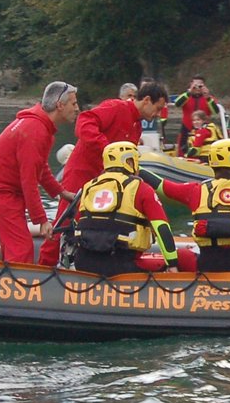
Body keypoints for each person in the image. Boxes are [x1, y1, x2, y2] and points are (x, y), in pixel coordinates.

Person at [38, 80, 168, 267]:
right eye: (157, 109)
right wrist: (107, 149)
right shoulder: (116, 107)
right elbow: (84, 122)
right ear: (146, 100)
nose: (157, 115)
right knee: (66, 216)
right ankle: (45, 265)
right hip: (83, 171)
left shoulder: (137, 125)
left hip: (106, 180)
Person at [147, 137, 230, 273]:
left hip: (208, 264)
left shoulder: (196, 191)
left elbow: (161, 186)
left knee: (181, 254)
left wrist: (136, 167)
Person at [0, 80, 78, 264]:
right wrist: (42, 220)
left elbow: (40, 168)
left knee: (14, 242)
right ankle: (17, 288)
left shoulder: (41, 127)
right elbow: (29, 181)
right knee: (21, 247)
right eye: (74, 103)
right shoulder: (35, 131)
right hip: (0, 189)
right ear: (60, 105)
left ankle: (7, 278)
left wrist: (61, 192)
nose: (77, 108)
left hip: (9, 189)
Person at [63, 141, 183, 275]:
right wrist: (172, 264)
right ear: (130, 162)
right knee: (186, 258)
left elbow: (77, 224)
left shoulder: (89, 187)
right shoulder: (141, 189)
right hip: (121, 265)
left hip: (84, 263)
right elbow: (162, 228)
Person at [173, 75, 219, 156]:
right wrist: (189, 92)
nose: (197, 88)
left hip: (204, 130)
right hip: (186, 129)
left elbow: (216, 111)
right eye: (195, 85)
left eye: (200, 85)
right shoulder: (186, 96)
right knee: (182, 150)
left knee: (200, 149)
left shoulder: (209, 98)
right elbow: (177, 104)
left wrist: (207, 97)